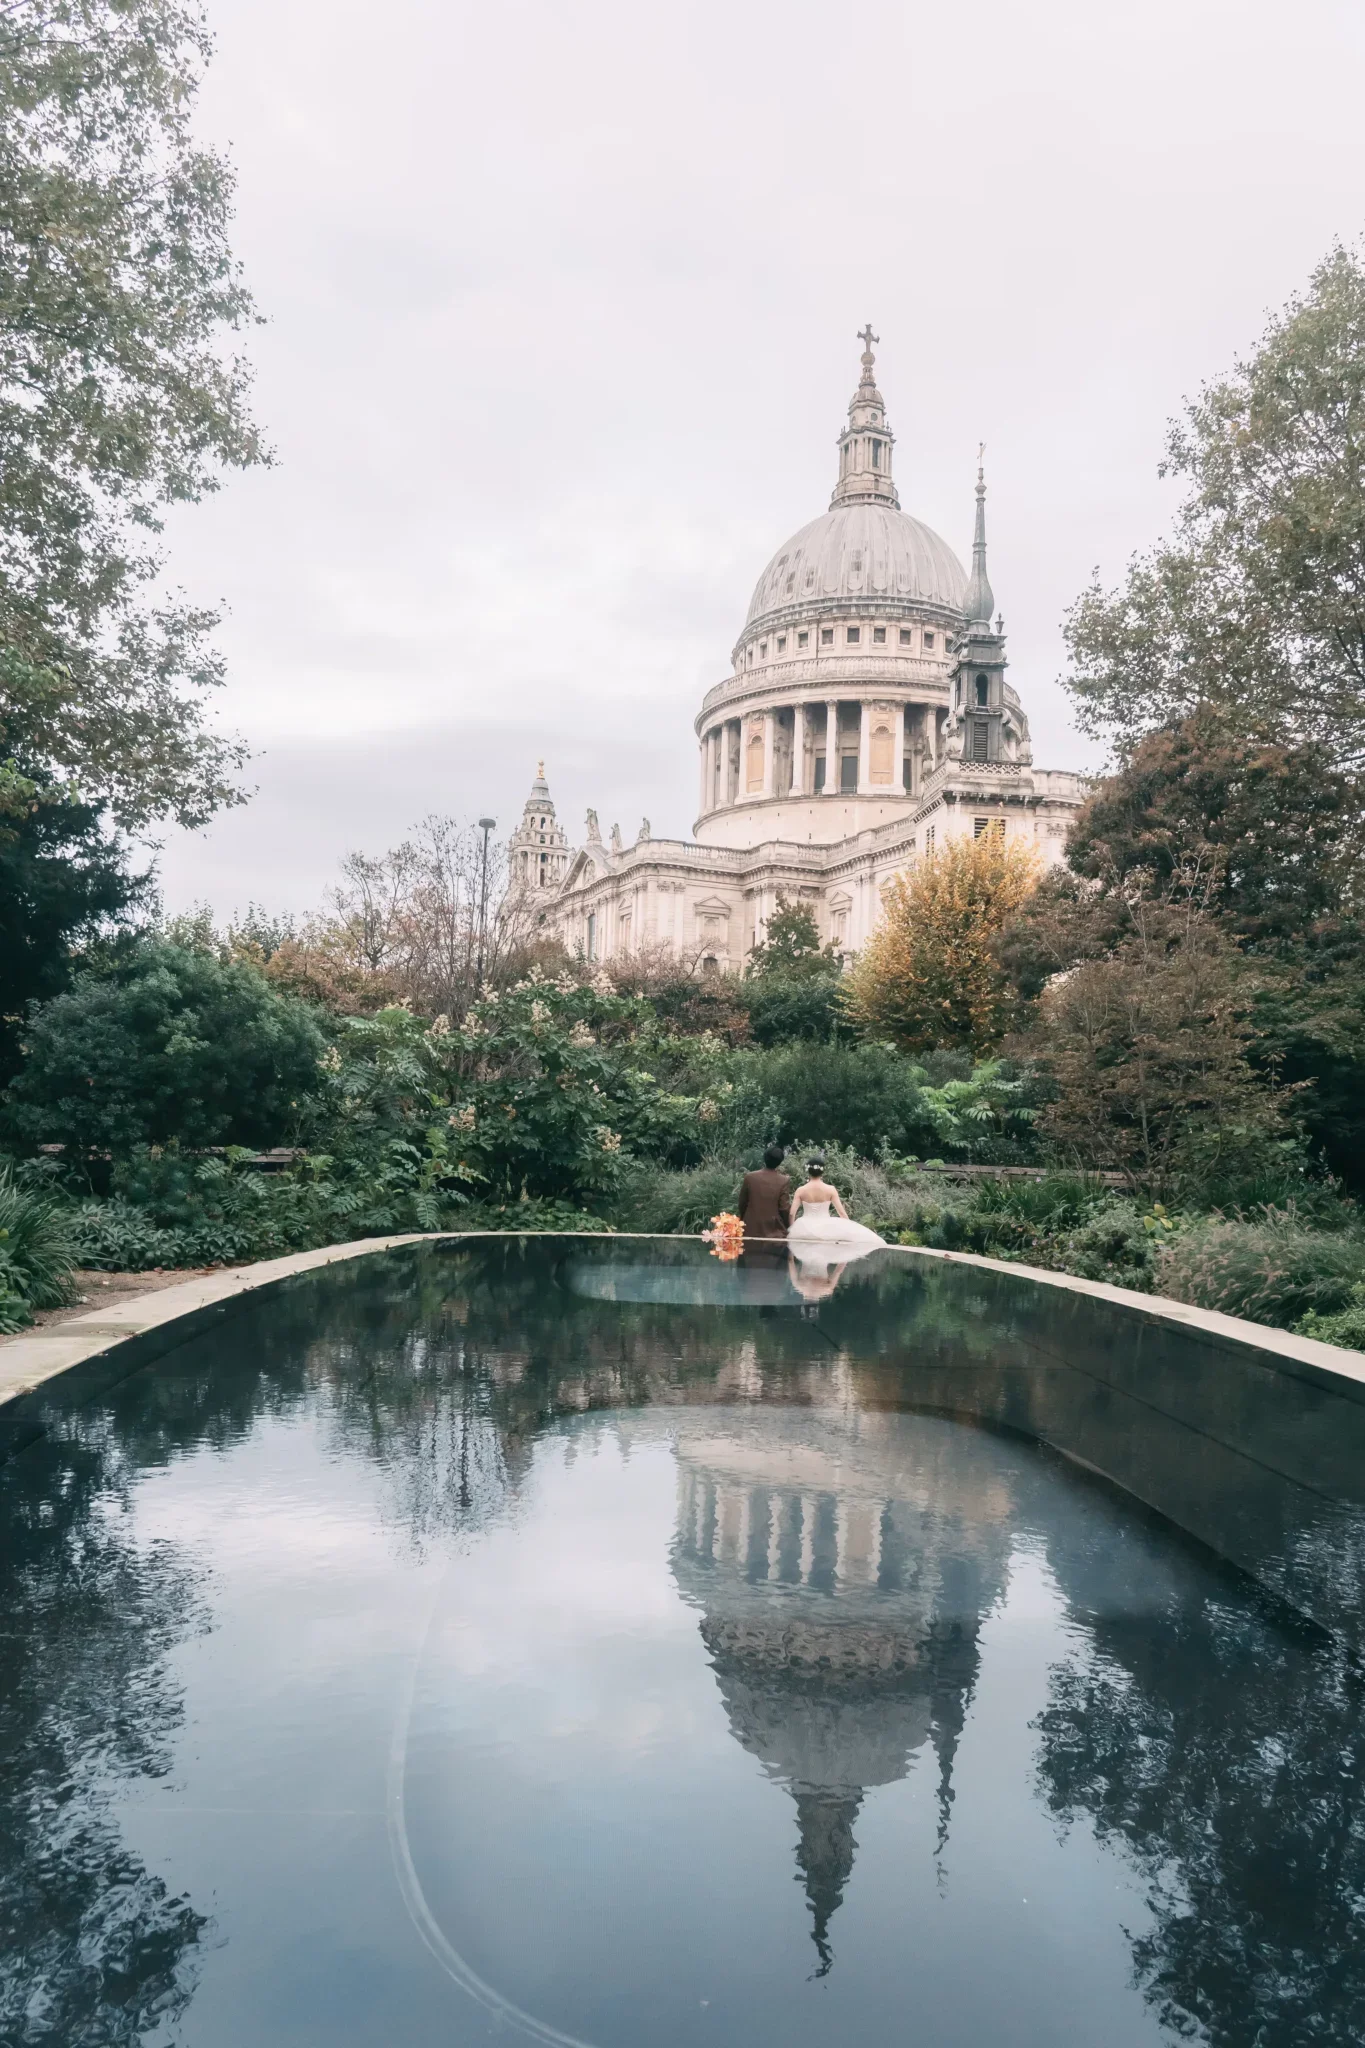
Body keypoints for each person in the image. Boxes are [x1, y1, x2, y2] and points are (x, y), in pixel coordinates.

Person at [787, 1158, 885, 1255]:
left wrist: (792, 1228)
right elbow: (841, 1212)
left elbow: (792, 1213)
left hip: (804, 1227)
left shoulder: (801, 1190)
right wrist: (849, 1229)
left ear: (808, 1171)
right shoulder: (830, 1189)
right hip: (825, 1227)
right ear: (822, 1171)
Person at [736, 1143, 793, 1240]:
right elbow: (784, 1208)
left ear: (764, 1158)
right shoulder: (783, 1180)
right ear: (780, 1162)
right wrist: (788, 1227)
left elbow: (742, 1203)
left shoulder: (750, 1177)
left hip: (750, 1230)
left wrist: (742, 1221)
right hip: (774, 1232)